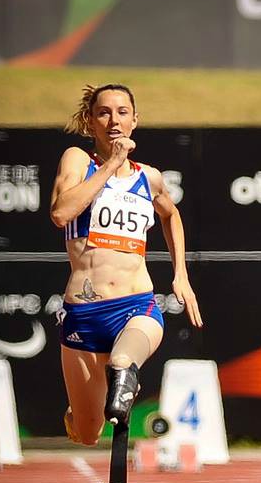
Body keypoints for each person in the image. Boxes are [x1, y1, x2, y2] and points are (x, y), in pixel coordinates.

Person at [50, 83, 203, 454]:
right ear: (90, 121)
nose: (113, 120)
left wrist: (180, 274)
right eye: (103, 112)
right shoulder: (78, 161)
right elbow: (61, 213)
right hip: (84, 314)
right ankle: (86, 407)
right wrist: (111, 165)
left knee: (121, 364)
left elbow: (171, 215)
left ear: (135, 120)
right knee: (88, 433)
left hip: (135, 305)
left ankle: (124, 373)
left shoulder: (149, 177)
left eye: (122, 112)